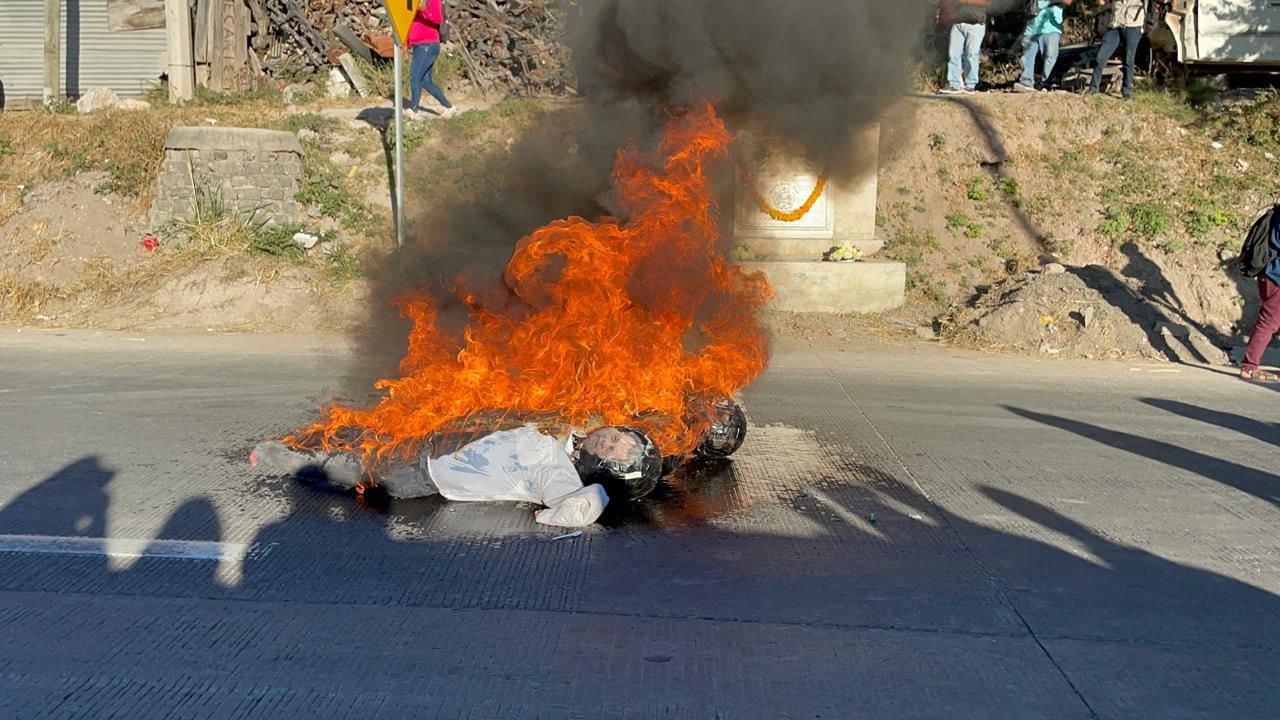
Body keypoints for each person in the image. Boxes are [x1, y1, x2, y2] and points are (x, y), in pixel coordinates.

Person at [250, 425, 663, 527]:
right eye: (617, 434)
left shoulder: (559, 478)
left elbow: (579, 510)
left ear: (604, 469)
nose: (608, 437)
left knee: (338, 468)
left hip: (420, 473)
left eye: (611, 449)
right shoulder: (568, 433)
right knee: (357, 435)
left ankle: (277, 458)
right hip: (434, 437)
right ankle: (303, 446)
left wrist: (600, 495)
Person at [1240, 218, 1280, 382]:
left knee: (1271, 321)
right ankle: (1249, 367)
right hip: (1276, 277)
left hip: (1269, 276)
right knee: (1269, 322)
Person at [405, 0, 455, 119]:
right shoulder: (411, 1)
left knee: (415, 77)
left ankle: (414, 109)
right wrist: (406, 44)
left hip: (427, 44)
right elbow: (408, 22)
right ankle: (448, 107)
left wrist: (423, 9)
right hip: (419, 44)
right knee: (425, 81)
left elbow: (437, 18)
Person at [1088, 0, 1146, 100]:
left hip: (1133, 26)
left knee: (1128, 60)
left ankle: (1127, 91)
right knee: (1100, 57)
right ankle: (1093, 88)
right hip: (1115, 26)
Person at [1015, 0, 1073, 93]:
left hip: (1051, 27)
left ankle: (1046, 84)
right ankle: (1026, 82)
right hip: (1031, 27)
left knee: (1049, 57)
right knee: (1027, 57)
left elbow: (1068, 1)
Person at [938, 0, 990, 95]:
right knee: (953, 54)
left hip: (975, 24)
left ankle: (970, 85)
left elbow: (987, 3)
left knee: (972, 54)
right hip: (957, 23)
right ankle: (954, 84)